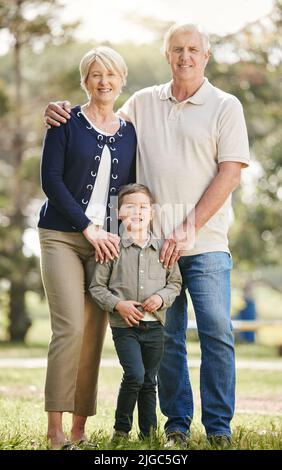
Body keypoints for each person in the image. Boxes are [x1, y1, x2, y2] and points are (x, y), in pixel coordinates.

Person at [44, 23, 250, 447]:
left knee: (215, 332)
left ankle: (218, 428)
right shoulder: (142, 103)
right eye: (177, 49)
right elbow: (97, 117)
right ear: (166, 55)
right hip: (151, 248)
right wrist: (58, 111)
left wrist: (188, 228)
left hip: (205, 242)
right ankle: (176, 425)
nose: (185, 56)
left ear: (206, 56)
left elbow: (230, 172)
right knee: (166, 336)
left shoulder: (226, 105)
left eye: (194, 49)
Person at [38, 46, 137, 449]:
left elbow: (128, 188)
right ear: (85, 80)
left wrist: (119, 233)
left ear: (122, 80)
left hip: (106, 244)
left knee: (94, 334)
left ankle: (79, 432)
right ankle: (54, 431)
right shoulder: (64, 122)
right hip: (62, 235)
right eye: (96, 74)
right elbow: (52, 182)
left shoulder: (130, 130)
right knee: (70, 329)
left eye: (111, 74)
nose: (104, 82)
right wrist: (88, 228)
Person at [89, 184, 182, 439]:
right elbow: (96, 287)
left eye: (143, 207)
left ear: (152, 213)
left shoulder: (164, 249)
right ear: (119, 213)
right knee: (134, 375)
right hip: (124, 327)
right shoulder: (112, 248)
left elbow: (174, 283)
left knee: (149, 381)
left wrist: (160, 298)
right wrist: (118, 304)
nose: (137, 212)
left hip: (154, 327)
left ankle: (149, 434)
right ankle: (121, 430)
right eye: (130, 207)